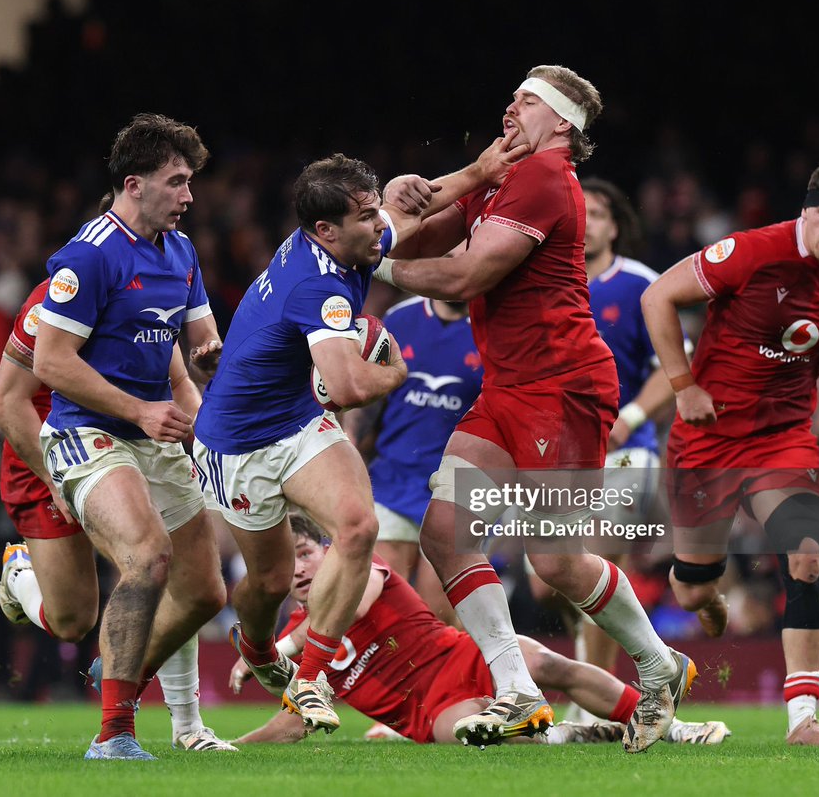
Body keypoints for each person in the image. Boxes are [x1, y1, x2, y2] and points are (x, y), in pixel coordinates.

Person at [373, 65, 693, 752]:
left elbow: (462, 273)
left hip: (563, 386)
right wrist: (406, 201)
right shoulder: (501, 175)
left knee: (554, 561)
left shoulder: (547, 180)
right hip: (510, 386)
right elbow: (420, 236)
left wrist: (375, 263)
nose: (509, 109)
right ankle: (516, 689)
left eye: (525, 101)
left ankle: (662, 668)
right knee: (446, 534)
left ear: (560, 124)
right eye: (512, 98)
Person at [193, 142, 524, 734]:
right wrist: (397, 372)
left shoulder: (350, 241)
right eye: (366, 218)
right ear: (326, 230)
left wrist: (479, 171)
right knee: (267, 584)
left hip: (294, 421)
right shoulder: (316, 288)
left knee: (358, 527)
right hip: (235, 444)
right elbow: (344, 386)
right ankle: (258, 644)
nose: (380, 227)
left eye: (375, 212)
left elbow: (409, 208)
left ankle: (312, 677)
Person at [640, 156, 819, 746]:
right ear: (805, 210)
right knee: (692, 587)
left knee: (806, 555)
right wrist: (684, 385)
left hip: (782, 438)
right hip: (705, 439)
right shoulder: (750, 252)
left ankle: (802, 718)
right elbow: (658, 297)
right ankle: (710, 596)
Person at [31, 114, 228, 761]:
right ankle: (114, 732)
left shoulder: (181, 252)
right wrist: (142, 410)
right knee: (147, 554)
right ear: (134, 183)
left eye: (191, 182)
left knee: (204, 590)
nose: (189, 195)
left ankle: (119, 665)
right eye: (177, 181)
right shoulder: (90, 254)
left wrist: (221, 366)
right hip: (86, 432)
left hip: (154, 436)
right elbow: (50, 361)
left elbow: (200, 343)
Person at [0, 273, 234, 751]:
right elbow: (8, 400)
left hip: (130, 444)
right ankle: (20, 575)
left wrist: (209, 450)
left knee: (169, 568)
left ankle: (187, 725)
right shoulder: (55, 300)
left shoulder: (148, 297)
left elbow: (179, 381)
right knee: (73, 620)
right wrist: (50, 476)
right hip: (47, 449)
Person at [230, 515, 729, 747]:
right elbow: (293, 722)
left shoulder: (359, 575)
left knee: (541, 661)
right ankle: (576, 735)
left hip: (459, 655)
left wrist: (265, 651)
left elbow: (353, 602)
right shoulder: (301, 644)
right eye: (285, 561)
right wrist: (235, 749)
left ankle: (674, 727)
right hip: (429, 710)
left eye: (305, 553)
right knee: (480, 736)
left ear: (328, 551)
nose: (297, 569)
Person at [545, 178, 681, 686]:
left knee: (596, 562)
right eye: (583, 214)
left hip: (627, 450)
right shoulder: (548, 282)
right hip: (558, 453)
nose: (589, 224)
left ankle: (595, 697)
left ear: (615, 226)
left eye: (599, 214)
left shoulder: (642, 284)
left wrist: (632, 417)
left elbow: (672, 366)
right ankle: (601, 672)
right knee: (547, 582)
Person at [342, 296, 481, 627]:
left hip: (458, 488)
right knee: (385, 603)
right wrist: (350, 443)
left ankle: (449, 677)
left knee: (441, 614)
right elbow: (370, 395)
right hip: (393, 480)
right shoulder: (399, 318)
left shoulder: (495, 325)